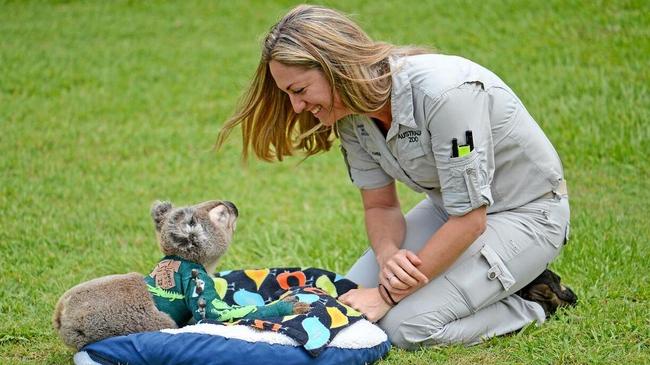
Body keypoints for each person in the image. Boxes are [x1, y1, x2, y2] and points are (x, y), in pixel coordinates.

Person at [216, 4, 577, 349]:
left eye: (299, 91)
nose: (296, 107)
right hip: (449, 210)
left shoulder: (446, 94)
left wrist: (388, 294)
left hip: (527, 214)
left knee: (405, 327)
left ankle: (533, 301)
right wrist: (389, 255)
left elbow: (470, 221)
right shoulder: (351, 114)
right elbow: (380, 205)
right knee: (347, 301)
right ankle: (481, 286)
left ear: (335, 67)